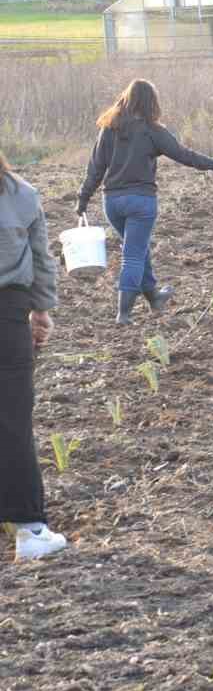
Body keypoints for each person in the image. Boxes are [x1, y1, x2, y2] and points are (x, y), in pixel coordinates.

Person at [76, 79, 213, 325]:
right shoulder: (152, 130)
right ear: (152, 103)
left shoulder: (109, 128)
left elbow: (95, 168)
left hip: (113, 203)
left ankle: (154, 297)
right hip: (141, 202)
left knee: (137, 249)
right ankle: (123, 314)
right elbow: (184, 155)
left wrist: (83, 199)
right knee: (133, 255)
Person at [0, 149, 67, 560]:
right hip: (8, 316)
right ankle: (29, 530)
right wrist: (41, 311)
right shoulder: (21, 195)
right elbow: (42, 260)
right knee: (12, 421)